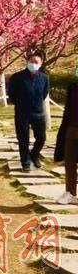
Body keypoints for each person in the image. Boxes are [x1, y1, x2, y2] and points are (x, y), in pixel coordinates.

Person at [8, 53, 50, 172]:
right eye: (32, 61)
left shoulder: (44, 78)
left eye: (36, 62)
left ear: (40, 64)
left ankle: (34, 154)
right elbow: (12, 94)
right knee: (23, 139)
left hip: (38, 112)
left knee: (41, 138)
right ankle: (25, 162)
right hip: (22, 113)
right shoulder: (17, 77)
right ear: (27, 62)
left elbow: (44, 94)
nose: (34, 64)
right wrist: (21, 104)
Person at [55, 68, 78, 204]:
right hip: (71, 127)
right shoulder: (73, 86)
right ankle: (70, 193)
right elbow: (68, 109)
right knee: (69, 161)